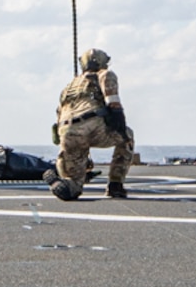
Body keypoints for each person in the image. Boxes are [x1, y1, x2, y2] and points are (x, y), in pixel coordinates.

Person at [47, 48, 135, 201]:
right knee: (127, 136)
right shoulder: (105, 75)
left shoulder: (69, 87)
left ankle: (67, 184)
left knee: (75, 183)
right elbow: (113, 103)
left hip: (66, 130)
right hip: (92, 126)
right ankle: (115, 185)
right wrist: (119, 125)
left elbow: (58, 115)